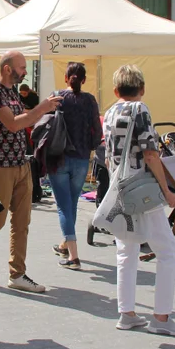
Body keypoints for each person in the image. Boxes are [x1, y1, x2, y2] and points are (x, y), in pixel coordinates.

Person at [103, 65, 175, 335]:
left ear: (116, 90)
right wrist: (167, 192)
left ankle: (127, 313)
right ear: (141, 89)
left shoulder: (109, 112)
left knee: (126, 252)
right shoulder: (140, 110)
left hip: (120, 189)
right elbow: (151, 154)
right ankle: (161, 319)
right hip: (142, 190)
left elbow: (108, 155)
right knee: (169, 251)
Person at [0, 52, 61, 293]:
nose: (25, 72)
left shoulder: (12, 92)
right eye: (21, 68)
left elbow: (21, 121)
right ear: (8, 68)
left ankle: (17, 274)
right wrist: (41, 108)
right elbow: (13, 124)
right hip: (0, 165)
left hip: (21, 164)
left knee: (22, 223)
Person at [48, 62, 100, 269]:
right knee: (71, 203)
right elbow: (97, 128)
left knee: (63, 205)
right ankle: (65, 244)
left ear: (66, 78)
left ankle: (74, 256)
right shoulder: (90, 100)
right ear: (84, 80)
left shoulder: (57, 97)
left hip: (58, 156)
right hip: (81, 157)